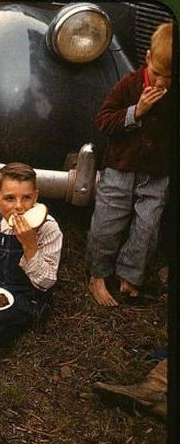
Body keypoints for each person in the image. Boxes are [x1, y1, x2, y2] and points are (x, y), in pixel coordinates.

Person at [86, 22, 174, 307]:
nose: (161, 83)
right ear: (148, 58)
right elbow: (103, 120)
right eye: (158, 74)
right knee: (107, 222)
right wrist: (137, 111)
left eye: (169, 77)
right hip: (120, 168)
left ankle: (129, 277)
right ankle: (97, 275)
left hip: (157, 174)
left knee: (147, 227)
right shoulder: (131, 84)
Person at [0, 163, 63, 348]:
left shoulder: (48, 228)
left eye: (26, 198)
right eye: (9, 198)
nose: (19, 207)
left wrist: (30, 245)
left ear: (36, 197)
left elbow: (46, 282)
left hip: (25, 297)